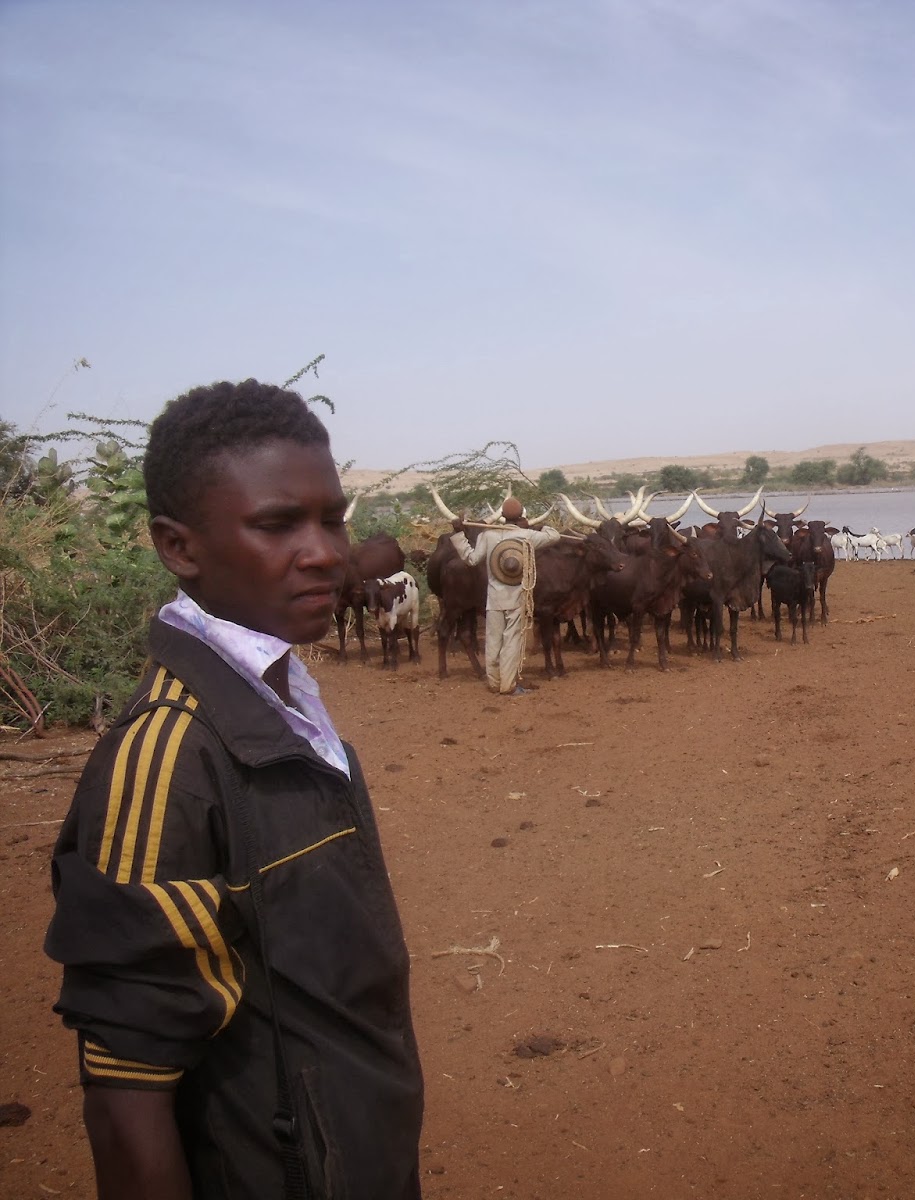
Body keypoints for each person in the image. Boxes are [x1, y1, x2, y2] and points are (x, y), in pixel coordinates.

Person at [44, 380, 424, 1199]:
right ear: (179, 548)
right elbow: (125, 1099)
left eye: (333, 517)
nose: (325, 550)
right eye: (278, 524)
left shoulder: (282, 706)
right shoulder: (167, 759)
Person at [450, 497, 561, 696]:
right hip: (517, 598)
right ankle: (508, 685)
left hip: (494, 598)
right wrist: (538, 525)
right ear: (520, 517)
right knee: (512, 641)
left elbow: (471, 559)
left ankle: (494, 682)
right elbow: (554, 536)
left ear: (501, 517)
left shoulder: (488, 536)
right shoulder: (527, 535)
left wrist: (459, 534)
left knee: (493, 640)